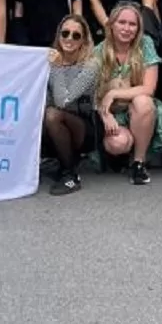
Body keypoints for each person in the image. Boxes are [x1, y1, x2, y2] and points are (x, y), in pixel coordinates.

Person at [90, 2, 160, 186]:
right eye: (122, 22)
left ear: (138, 28)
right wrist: (105, 115)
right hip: (112, 112)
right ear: (111, 24)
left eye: (132, 24)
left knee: (143, 101)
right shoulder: (98, 52)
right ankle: (120, 154)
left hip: (139, 110)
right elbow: (92, 95)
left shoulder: (146, 44)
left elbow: (148, 88)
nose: (127, 28)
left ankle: (138, 162)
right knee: (118, 144)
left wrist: (113, 92)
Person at [44, 15, 98, 195]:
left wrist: (57, 68)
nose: (69, 38)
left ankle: (70, 174)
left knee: (53, 114)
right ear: (58, 35)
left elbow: (62, 101)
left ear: (83, 40)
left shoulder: (90, 65)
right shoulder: (47, 59)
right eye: (65, 33)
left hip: (82, 127)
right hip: (52, 126)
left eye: (76, 35)